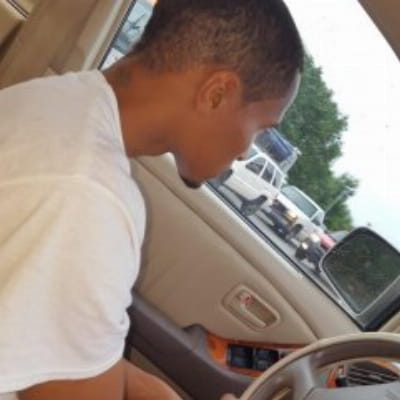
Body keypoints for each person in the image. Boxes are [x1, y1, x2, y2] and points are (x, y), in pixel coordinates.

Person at [0, 0, 303, 399]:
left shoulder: (60, 100)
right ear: (216, 94)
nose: (248, 151)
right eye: (260, 127)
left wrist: (151, 389)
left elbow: (59, 349)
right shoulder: (90, 197)